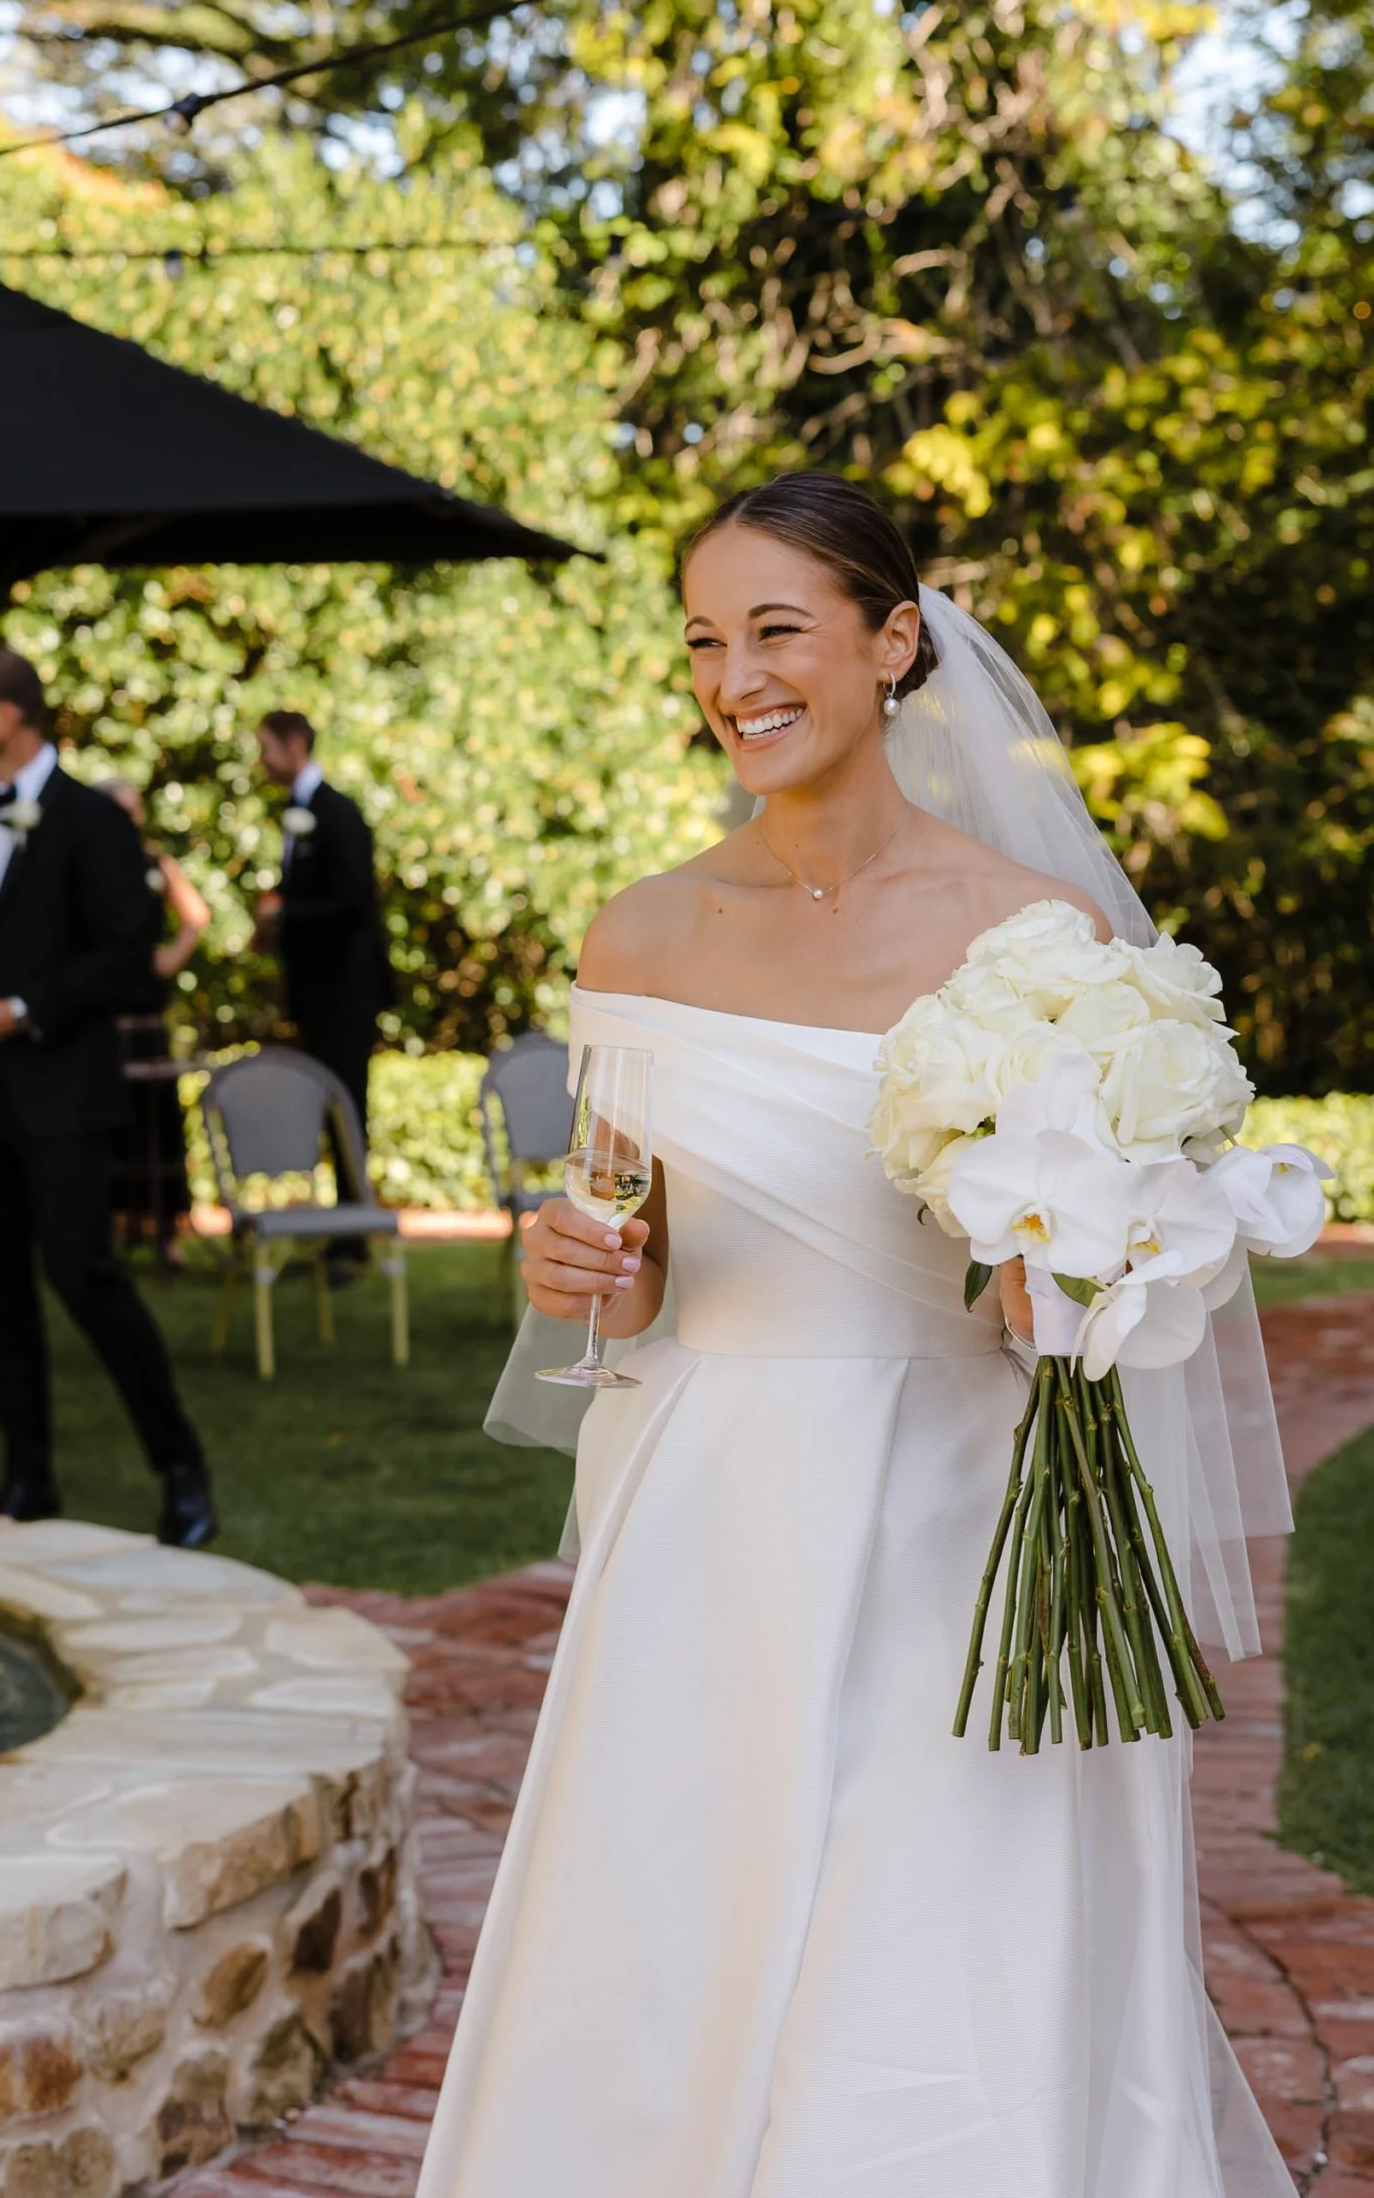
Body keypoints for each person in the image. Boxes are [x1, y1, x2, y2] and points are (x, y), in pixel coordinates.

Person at [416, 473, 1293, 2198]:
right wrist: (575, 1269)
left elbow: (1091, 1284)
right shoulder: (643, 931)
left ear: (894, 644)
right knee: (692, 1924)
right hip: (713, 1516)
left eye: (774, 630)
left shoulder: (1033, 939)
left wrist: (1077, 1279)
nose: (731, 675)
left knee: (936, 1941)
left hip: (960, 1524)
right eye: (699, 639)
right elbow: (642, 1255)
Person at [0, 648, 216, 1547]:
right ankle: (26, 1473)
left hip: (61, 1096)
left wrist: (18, 1012)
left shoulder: (92, 822)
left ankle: (180, 1468)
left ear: (7, 718)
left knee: (87, 1279)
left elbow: (124, 961)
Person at [254, 710, 389, 1261]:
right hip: (317, 992)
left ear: (294, 745)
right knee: (328, 1108)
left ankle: (353, 1236)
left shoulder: (336, 812)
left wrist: (282, 916)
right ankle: (340, 1229)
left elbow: (353, 901)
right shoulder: (299, 811)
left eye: (265, 747)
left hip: (344, 994)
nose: (261, 760)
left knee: (346, 1106)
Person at [97, 778, 209, 1257]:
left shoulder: (154, 863)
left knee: (155, 1122)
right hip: (102, 1012)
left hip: (145, 1012)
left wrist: (166, 958)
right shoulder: (89, 866)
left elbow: (195, 916)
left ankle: (166, 1231)